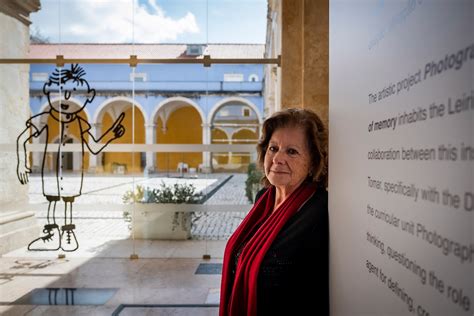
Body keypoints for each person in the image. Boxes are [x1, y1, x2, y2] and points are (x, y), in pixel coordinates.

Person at [219, 108, 329, 316]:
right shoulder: (263, 198)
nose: (278, 158)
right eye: (273, 148)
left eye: (292, 151)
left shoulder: (320, 212)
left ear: (313, 161)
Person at [16, 64, 125, 251]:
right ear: (49, 91)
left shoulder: (81, 122)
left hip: (71, 178)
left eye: (73, 92)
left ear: (86, 97)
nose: (66, 97)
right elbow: (23, 138)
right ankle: (50, 234)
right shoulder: (45, 116)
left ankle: (68, 233)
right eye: (62, 91)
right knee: (51, 200)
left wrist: (111, 136)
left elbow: (93, 146)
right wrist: (21, 163)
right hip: (50, 174)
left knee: (68, 202)